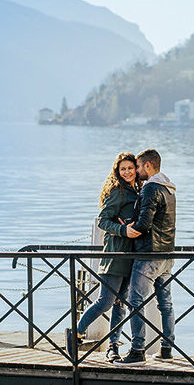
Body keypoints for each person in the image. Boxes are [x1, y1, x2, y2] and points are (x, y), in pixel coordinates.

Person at [66, 152, 140, 362]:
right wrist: (122, 230)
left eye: (130, 168)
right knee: (105, 301)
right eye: (122, 169)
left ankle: (113, 346)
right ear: (117, 171)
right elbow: (103, 221)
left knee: (120, 304)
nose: (127, 172)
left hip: (131, 255)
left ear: (136, 169)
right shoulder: (118, 192)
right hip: (115, 253)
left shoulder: (137, 190)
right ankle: (77, 332)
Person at [115, 148, 176, 366]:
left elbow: (145, 223)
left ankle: (137, 351)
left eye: (138, 166)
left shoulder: (151, 188)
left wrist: (129, 227)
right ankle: (167, 348)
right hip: (167, 255)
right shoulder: (169, 189)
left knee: (135, 301)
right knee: (165, 303)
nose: (137, 170)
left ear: (148, 165)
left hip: (149, 254)